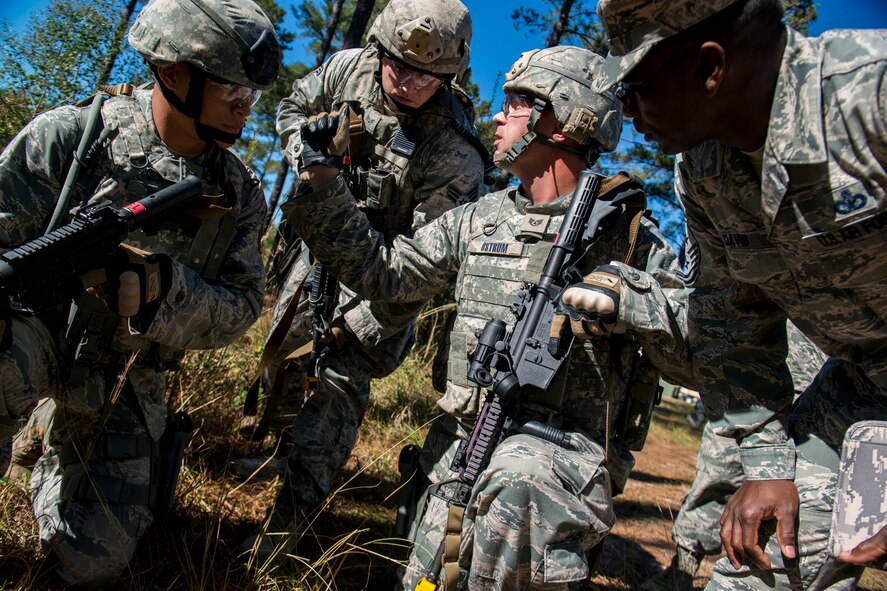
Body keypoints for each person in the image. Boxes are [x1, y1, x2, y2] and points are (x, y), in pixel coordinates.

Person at [280, 45, 694, 590]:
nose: (497, 118)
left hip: (551, 469)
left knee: (518, 489)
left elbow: (699, 349)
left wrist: (632, 300)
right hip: (463, 451)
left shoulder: (629, 235)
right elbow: (387, 274)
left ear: (563, 121)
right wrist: (323, 182)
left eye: (517, 104)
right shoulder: (482, 218)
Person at [587, 0, 887, 588]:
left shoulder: (868, 99)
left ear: (710, 68)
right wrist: (769, 463)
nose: (625, 111)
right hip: (864, 382)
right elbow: (733, 321)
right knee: (762, 560)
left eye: (635, 88)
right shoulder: (704, 169)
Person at [0, 0, 281, 585]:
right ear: (173, 74)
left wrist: (164, 290)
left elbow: (242, 307)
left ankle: (51, 439)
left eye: (251, 94)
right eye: (231, 89)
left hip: (126, 377)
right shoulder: (75, 137)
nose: (244, 107)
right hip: (36, 335)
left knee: (93, 560)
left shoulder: (237, 194)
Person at [238, 0, 487, 564]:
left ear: (451, 76)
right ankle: (277, 455)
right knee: (285, 355)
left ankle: (290, 522)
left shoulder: (455, 153)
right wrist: (306, 151)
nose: (408, 83)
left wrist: (360, 321)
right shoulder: (349, 68)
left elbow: (418, 269)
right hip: (318, 250)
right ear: (379, 49)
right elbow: (293, 107)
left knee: (335, 386)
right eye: (398, 65)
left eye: (427, 76)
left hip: (385, 281)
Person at [642, 323, 826, 591]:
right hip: (755, 378)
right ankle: (682, 568)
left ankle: (775, 578)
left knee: (804, 496)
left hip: (818, 386)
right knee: (717, 474)